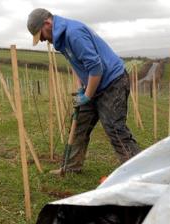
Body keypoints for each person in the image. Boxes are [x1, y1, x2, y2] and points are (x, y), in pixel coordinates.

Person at [27, 8, 141, 175]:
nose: (43, 40)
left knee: (115, 129)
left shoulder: (74, 33)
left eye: (41, 34)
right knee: (79, 124)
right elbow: (79, 64)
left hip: (112, 82)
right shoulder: (62, 38)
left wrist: (87, 95)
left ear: (47, 23)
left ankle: (139, 171)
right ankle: (72, 168)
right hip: (94, 84)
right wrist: (82, 88)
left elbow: (96, 67)